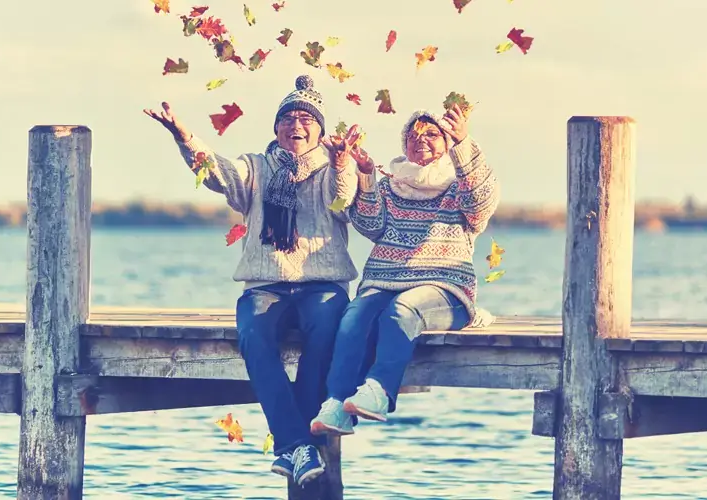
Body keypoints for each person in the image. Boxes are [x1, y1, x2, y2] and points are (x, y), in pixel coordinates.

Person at [144, 75, 362, 486]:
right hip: (265, 285)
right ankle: (299, 446)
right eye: (288, 119)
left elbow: (344, 199)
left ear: (318, 128)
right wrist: (184, 135)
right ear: (276, 127)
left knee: (326, 334)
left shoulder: (333, 168)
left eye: (305, 119)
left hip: (323, 285)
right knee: (253, 335)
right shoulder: (256, 168)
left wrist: (341, 163)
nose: (296, 126)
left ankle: (292, 446)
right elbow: (215, 172)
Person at [309, 104, 499, 436]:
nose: (420, 139)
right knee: (354, 316)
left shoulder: (460, 186)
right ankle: (338, 405)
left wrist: (464, 143)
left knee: (402, 310)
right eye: (412, 135)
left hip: (444, 287)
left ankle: (379, 392)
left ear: (446, 141)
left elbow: (480, 203)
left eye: (431, 134)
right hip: (385, 280)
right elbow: (370, 225)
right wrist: (366, 175)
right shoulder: (391, 184)